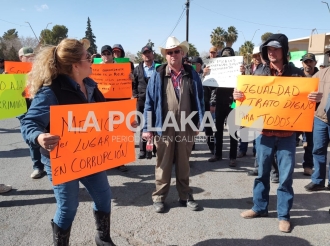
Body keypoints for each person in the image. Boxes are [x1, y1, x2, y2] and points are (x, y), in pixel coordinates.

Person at [20, 39, 115, 245]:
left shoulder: (90, 85)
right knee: (68, 207)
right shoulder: (51, 91)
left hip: (89, 154)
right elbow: (29, 122)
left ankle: (103, 237)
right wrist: (39, 136)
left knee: (104, 197)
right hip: (61, 159)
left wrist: (121, 121)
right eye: (88, 57)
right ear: (75, 65)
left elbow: (102, 115)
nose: (92, 60)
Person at [235, 33, 322, 233]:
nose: (271, 52)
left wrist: (314, 98)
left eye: (275, 48)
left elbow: (308, 103)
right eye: (268, 49)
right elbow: (245, 103)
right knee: (262, 173)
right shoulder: (258, 74)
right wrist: (238, 96)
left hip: (288, 137)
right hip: (264, 134)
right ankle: (259, 207)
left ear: (284, 51)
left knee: (285, 178)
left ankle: (283, 215)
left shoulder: (297, 74)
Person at [142, 36, 205, 213]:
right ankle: (159, 197)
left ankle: (185, 195)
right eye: (169, 52)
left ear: (182, 53)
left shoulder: (191, 74)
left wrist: (200, 121)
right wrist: (147, 128)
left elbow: (200, 98)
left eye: (176, 51)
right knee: (163, 163)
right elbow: (149, 103)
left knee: (184, 163)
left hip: (186, 126)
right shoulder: (158, 75)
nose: (173, 55)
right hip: (164, 126)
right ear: (165, 55)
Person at [208, 47, 239, 167]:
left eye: (229, 58)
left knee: (233, 131)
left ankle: (232, 157)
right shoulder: (217, 70)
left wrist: (242, 72)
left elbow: (244, 84)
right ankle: (218, 154)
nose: (227, 60)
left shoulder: (238, 70)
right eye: (225, 58)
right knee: (218, 130)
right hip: (220, 102)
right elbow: (212, 88)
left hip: (233, 103)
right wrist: (207, 75)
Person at [17, 47, 45, 179]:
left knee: (45, 136)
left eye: (33, 56)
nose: (31, 59)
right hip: (23, 110)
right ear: (21, 58)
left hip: (40, 108)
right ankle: (38, 167)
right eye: (28, 56)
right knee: (32, 139)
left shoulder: (40, 72)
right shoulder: (10, 74)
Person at [304, 50, 330, 191]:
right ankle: (318, 180)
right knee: (318, 150)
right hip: (321, 118)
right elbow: (307, 91)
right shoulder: (320, 74)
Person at [133, 45, 157, 159]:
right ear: (142, 56)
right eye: (145, 53)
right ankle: (143, 151)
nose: (147, 55)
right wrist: (135, 96)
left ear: (153, 54)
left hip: (156, 101)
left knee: (155, 124)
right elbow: (133, 85)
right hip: (141, 100)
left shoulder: (159, 68)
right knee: (143, 125)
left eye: (149, 52)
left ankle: (155, 149)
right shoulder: (137, 69)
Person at [300, 53, 319, 176]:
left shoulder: (319, 76)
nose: (308, 64)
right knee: (291, 140)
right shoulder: (296, 75)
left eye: (310, 61)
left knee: (310, 142)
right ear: (302, 63)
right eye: (306, 61)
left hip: (313, 114)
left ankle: (308, 165)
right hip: (296, 113)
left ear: (315, 63)